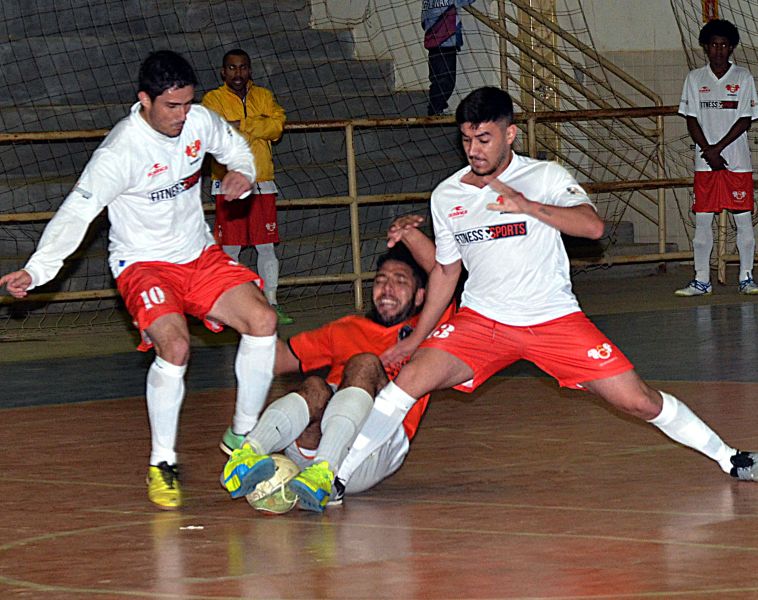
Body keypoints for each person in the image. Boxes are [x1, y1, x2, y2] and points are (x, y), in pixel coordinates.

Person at [332, 86, 758, 499]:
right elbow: (446, 271)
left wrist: (526, 205)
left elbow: (592, 228)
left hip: (552, 319)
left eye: (484, 138)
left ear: (509, 134)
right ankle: (335, 477)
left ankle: (731, 457)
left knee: (640, 402)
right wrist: (419, 337)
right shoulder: (447, 195)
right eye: (466, 140)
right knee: (407, 383)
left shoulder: (544, 175)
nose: (474, 149)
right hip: (482, 322)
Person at [0, 51, 279, 511]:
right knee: (176, 347)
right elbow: (77, 214)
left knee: (263, 321)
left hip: (198, 255)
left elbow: (236, 149)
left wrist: (241, 174)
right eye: (172, 106)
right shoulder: (118, 153)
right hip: (143, 264)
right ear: (144, 100)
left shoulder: (198, 121)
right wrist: (37, 270)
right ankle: (162, 462)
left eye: (188, 104)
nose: (182, 115)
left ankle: (242, 438)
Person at [219, 218, 456, 511]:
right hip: (313, 447)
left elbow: (442, 272)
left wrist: (408, 234)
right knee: (315, 387)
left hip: (375, 448)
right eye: (381, 281)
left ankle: (327, 475)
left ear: (422, 296)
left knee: (363, 364)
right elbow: (278, 360)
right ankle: (248, 453)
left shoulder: (429, 328)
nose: (387, 289)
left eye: (400, 281)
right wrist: (241, 316)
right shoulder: (345, 329)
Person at [201, 48, 293, 323]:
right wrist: (258, 124)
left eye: (242, 67)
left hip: (262, 182)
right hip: (228, 185)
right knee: (230, 249)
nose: (237, 73)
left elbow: (277, 128)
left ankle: (271, 303)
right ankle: (231, 306)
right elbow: (215, 131)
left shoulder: (264, 96)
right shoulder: (212, 99)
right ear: (223, 71)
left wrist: (241, 124)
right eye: (231, 68)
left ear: (249, 70)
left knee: (266, 247)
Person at [676, 19, 758, 297]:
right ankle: (701, 280)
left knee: (743, 220)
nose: (719, 50)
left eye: (724, 45)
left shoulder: (744, 78)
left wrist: (718, 149)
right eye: (714, 45)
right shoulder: (694, 79)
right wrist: (708, 151)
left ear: (731, 47)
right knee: (702, 221)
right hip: (705, 164)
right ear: (706, 48)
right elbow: (691, 119)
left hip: (737, 161)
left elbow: (745, 119)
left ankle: (747, 277)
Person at [422, 0, 475, 116]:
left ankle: (437, 106)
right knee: (446, 81)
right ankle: (436, 108)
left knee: (438, 79)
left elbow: (423, 21)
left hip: (434, 44)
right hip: (446, 43)